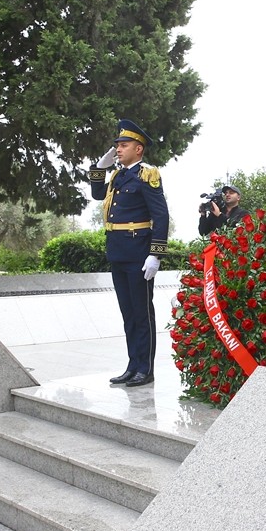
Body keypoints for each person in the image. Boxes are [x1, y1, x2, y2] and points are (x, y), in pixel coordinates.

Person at [89, 119, 170, 387]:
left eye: (123, 146)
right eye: (117, 146)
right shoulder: (118, 176)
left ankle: (145, 369)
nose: (118, 150)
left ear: (139, 149)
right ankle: (132, 365)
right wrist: (100, 167)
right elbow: (98, 194)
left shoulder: (147, 174)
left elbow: (160, 214)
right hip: (119, 252)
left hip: (138, 252)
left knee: (141, 313)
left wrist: (155, 254)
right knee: (128, 314)